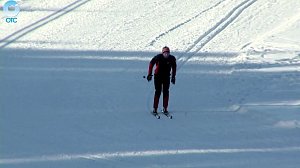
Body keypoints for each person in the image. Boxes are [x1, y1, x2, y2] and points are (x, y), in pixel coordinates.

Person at [147, 46, 177, 114]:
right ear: (162, 53)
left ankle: (165, 108)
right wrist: (149, 74)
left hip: (166, 77)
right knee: (158, 91)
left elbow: (174, 67)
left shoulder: (172, 58)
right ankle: (155, 108)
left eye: (167, 53)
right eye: (165, 53)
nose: (166, 55)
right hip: (158, 77)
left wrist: (173, 77)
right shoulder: (158, 57)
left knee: (166, 92)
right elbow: (151, 63)